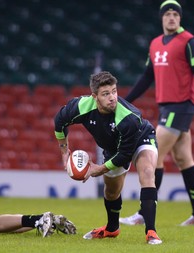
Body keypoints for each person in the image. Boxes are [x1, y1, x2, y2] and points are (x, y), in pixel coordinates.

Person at [120, 0, 194, 226]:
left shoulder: (191, 42)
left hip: (181, 106)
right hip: (167, 107)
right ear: (162, 18)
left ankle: (144, 212)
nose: (172, 17)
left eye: (175, 14)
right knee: (183, 159)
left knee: (152, 154)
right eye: (168, 14)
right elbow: (147, 77)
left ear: (180, 18)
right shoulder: (155, 44)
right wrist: (125, 101)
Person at [54, 71, 162, 245]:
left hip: (142, 137)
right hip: (113, 148)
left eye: (114, 91)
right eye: (106, 94)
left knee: (148, 172)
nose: (112, 97)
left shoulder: (129, 117)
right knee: (111, 191)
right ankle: (112, 229)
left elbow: (125, 154)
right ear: (94, 96)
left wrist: (99, 168)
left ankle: (151, 231)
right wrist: (64, 151)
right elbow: (59, 121)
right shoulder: (81, 106)